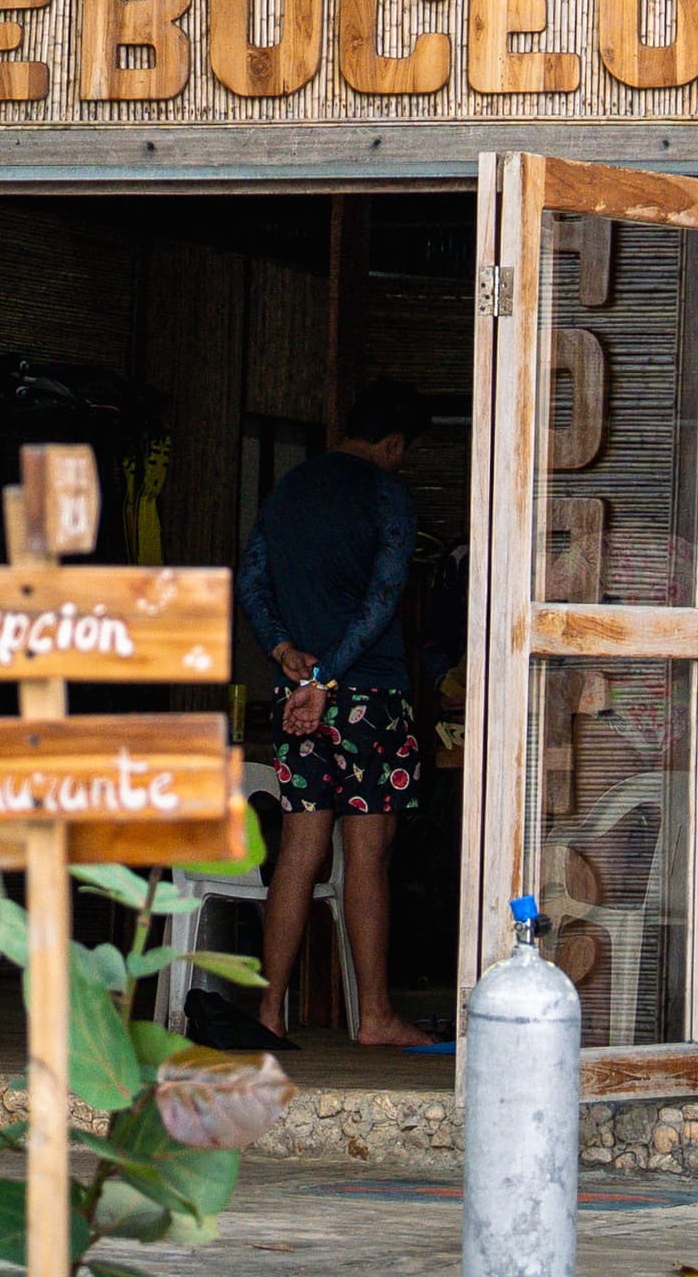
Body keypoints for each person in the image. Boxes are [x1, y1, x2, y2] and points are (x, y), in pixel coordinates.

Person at [231, 381, 433, 1048]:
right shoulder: (387, 494)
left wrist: (286, 653)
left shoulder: (288, 490)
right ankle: (373, 1015)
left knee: (298, 852)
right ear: (393, 444)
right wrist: (329, 675)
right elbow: (383, 598)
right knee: (367, 856)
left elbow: (252, 578)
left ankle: (266, 1013)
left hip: (298, 700)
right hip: (368, 695)